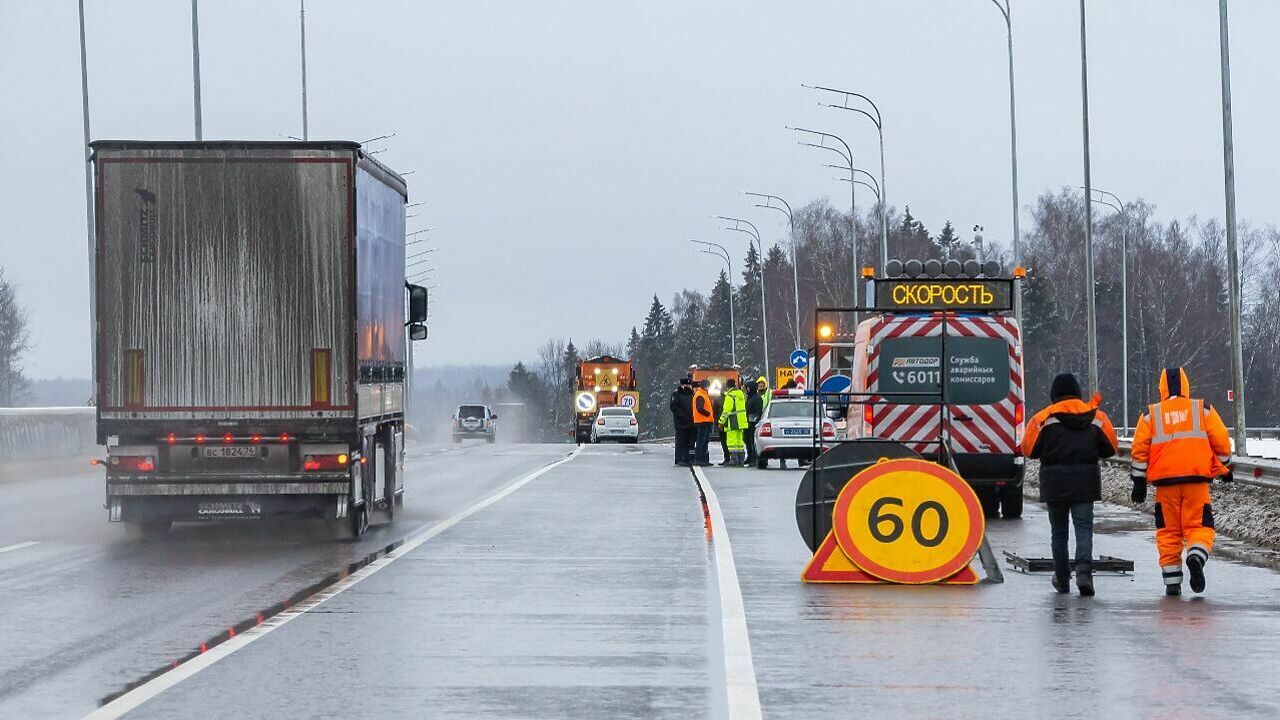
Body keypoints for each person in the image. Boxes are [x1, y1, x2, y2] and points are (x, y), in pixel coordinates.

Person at [1130, 367, 1233, 596]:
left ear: (1162, 388)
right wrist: (1225, 466)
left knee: (1168, 532)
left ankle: (1172, 583)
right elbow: (1222, 441)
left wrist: (1138, 481)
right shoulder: (1202, 409)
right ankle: (1196, 555)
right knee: (1200, 526)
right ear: (1186, 385)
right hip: (1197, 482)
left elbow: (1139, 450)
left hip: (1165, 485)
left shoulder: (1150, 415)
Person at [1022, 373, 1118, 596]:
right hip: (1085, 483)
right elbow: (1111, 447)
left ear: (1054, 395)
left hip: (1055, 484)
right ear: (1078, 392)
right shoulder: (1096, 416)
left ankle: (1062, 578)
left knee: (1059, 532)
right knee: (1083, 529)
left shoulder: (1043, 419)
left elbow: (1028, 450)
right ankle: (1084, 575)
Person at [719, 378, 748, 467]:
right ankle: (741, 461)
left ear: (727, 387)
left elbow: (726, 410)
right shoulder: (741, 394)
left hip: (732, 421)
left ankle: (733, 460)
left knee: (731, 442)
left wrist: (721, 422)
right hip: (741, 421)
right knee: (739, 442)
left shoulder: (730, 396)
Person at [669, 377, 695, 466]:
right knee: (681, 442)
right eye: (686, 385)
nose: (688, 386)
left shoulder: (693, 394)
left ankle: (688, 459)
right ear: (682, 385)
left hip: (691, 423)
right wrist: (683, 417)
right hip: (680, 423)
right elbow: (673, 407)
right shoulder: (676, 394)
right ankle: (679, 459)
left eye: (689, 385)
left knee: (690, 442)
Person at [692, 379, 715, 467]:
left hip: (705, 421)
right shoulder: (700, 395)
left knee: (704, 441)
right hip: (702, 421)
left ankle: (703, 460)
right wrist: (708, 413)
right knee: (701, 441)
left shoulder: (703, 394)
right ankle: (699, 459)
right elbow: (699, 408)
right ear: (705, 386)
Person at [744, 380, 764, 466]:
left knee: (752, 440)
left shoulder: (757, 398)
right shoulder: (750, 397)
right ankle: (749, 456)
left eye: (748, 388)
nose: (747, 389)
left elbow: (758, 411)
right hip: (747, 422)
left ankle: (753, 458)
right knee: (746, 439)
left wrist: (754, 420)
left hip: (753, 423)